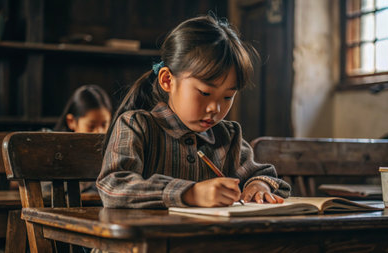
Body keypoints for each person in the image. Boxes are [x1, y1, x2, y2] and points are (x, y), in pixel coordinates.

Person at [96, 14, 291, 209]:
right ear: (167, 80)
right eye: (205, 93)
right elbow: (114, 185)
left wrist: (258, 185)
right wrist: (190, 193)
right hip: (151, 238)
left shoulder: (227, 137)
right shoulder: (137, 126)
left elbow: (261, 174)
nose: (215, 108)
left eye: (227, 97)